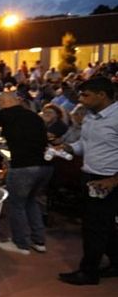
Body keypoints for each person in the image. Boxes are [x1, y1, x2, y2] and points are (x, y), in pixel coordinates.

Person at [57, 77, 118, 285]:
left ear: (102, 95)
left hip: (108, 179)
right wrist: (69, 148)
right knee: (104, 226)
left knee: (94, 228)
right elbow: (85, 143)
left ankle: (89, 272)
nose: (81, 99)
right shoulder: (91, 117)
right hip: (89, 175)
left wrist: (113, 180)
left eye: (86, 95)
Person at [0, 91, 52, 255]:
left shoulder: (4, 114)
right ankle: (38, 241)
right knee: (31, 201)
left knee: (16, 205)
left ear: (4, 102)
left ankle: (21, 244)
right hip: (44, 166)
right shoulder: (33, 115)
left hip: (23, 166)